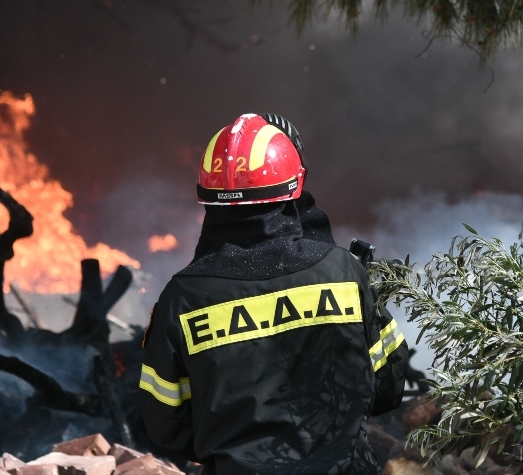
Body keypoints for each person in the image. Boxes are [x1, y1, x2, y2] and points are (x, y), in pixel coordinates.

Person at [138, 113, 409, 474]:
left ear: (209, 199)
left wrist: (232, 446)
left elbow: (165, 425)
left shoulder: (183, 298)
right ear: (293, 190)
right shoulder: (341, 271)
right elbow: (388, 385)